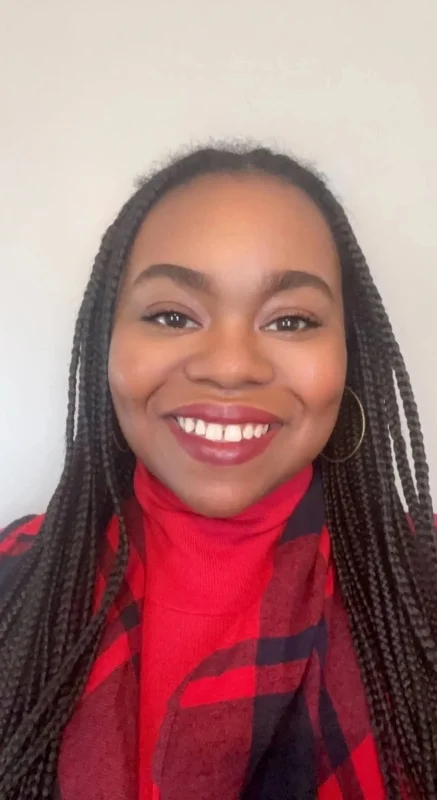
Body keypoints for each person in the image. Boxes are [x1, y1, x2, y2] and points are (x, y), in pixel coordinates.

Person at [0, 144, 436, 800]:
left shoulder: (421, 589)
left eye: (290, 320)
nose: (230, 366)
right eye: (172, 315)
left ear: (350, 356)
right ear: (106, 344)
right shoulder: (14, 581)